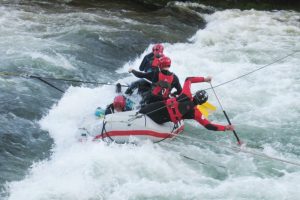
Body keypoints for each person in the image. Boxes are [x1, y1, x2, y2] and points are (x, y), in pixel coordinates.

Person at [139, 76, 235, 132]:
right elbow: (209, 126)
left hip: (157, 107)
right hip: (162, 119)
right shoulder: (196, 113)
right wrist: (225, 127)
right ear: (202, 103)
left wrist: (205, 79)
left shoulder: (186, 93)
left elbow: (188, 79)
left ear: (195, 94)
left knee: (141, 111)